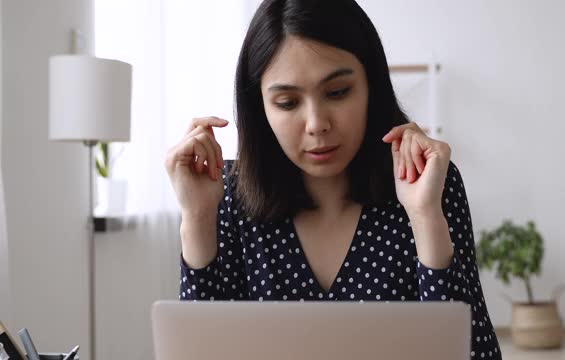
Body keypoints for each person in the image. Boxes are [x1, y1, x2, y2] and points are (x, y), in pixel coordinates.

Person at [164, 0, 502, 358]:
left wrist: (425, 218)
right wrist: (197, 218)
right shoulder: (228, 193)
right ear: (259, 106)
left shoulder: (428, 183)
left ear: (371, 85)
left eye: (337, 93)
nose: (316, 124)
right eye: (288, 103)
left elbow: (473, 353)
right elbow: (202, 351)